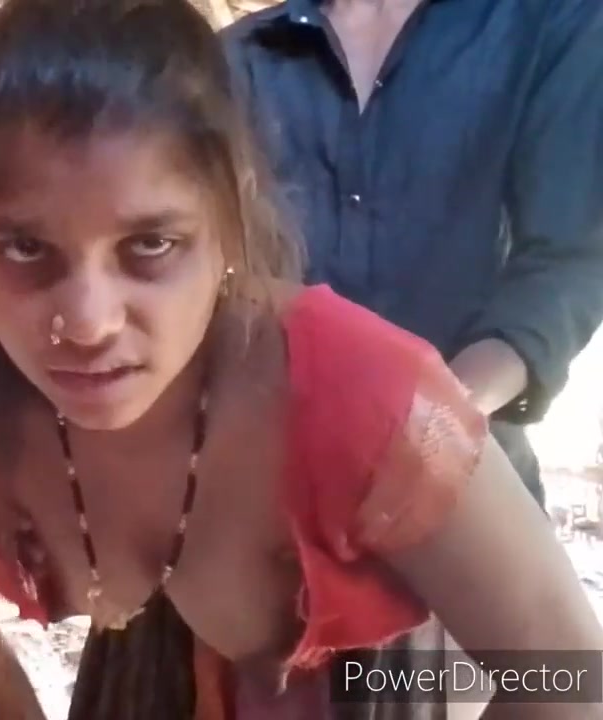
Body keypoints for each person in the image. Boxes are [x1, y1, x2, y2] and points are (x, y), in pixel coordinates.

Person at [0, 0, 603, 717]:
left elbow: (572, 681)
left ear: (231, 224)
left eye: (151, 245)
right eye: (24, 248)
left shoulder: (374, 403)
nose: (89, 323)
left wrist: (413, 439)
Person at [221, 0, 603, 510]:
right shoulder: (238, 57)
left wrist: (445, 418)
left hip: (471, 483)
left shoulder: (547, 23)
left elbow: (567, 262)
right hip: (274, 492)